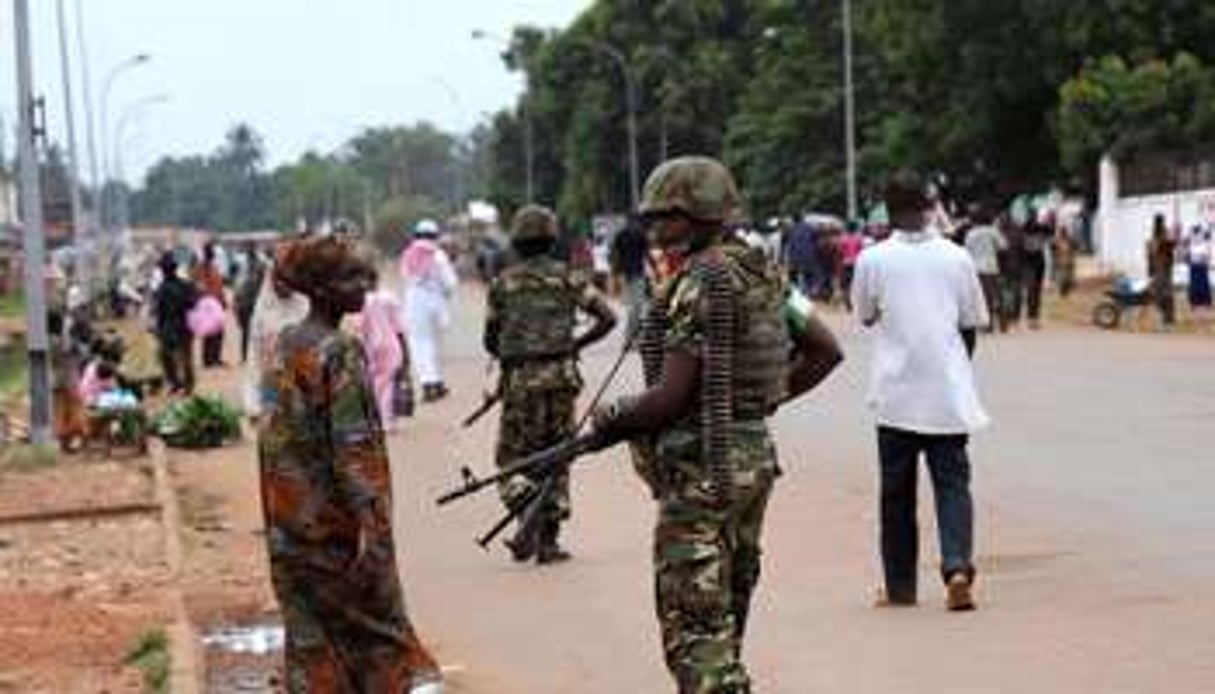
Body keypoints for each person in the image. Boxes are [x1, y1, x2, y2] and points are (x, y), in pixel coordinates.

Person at [590, 156, 843, 692]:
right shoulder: (767, 276)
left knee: (696, 628)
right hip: (749, 458)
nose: (654, 229)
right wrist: (756, 402)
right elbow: (824, 350)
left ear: (701, 214)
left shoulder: (700, 281)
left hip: (702, 466)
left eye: (667, 217)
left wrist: (610, 416)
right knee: (726, 607)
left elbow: (669, 398)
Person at [258, 235, 443, 694]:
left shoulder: (283, 343)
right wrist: (373, 532)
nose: (362, 284)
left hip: (289, 525)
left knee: (311, 647)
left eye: (364, 274)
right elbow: (354, 450)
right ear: (320, 288)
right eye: (349, 277)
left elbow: (273, 441)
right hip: (336, 530)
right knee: (384, 645)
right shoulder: (339, 350)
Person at [851, 170, 990, 612]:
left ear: (887, 211)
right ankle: (957, 569)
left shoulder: (873, 259)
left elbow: (866, 315)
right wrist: (953, 368)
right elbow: (970, 325)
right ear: (930, 207)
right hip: (946, 395)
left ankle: (900, 588)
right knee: (952, 485)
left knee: (896, 495)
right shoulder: (956, 257)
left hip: (895, 395)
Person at [484, 205, 616, 564]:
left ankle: (525, 514)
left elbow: (490, 339)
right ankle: (549, 540)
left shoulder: (503, 283)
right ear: (551, 239)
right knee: (557, 455)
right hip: (561, 379)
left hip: (520, 382)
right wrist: (575, 344)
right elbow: (608, 317)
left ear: (516, 242)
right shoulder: (569, 278)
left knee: (514, 458)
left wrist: (515, 350)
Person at [242, 250, 310, 422]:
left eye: (287, 280)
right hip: (271, 387)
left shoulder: (304, 306)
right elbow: (254, 357)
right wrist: (253, 402)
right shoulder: (262, 312)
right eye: (278, 279)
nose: (283, 285)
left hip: (303, 386)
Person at [400, 219, 457, 403]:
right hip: (436, 303)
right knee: (435, 344)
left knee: (419, 345)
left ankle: (428, 384)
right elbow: (450, 284)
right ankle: (437, 382)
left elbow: (406, 277)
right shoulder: (439, 255)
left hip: (415, 304)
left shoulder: (407, 254)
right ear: (435, 235)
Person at [355, 278, 410, 433]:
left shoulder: (361, 301)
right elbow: (399, 327)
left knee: (373, 383)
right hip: (391, 346)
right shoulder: (389, 298)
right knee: (388, 383)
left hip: (370, 346)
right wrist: (406, 352)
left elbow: (359, 327)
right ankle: (387, 420)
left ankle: (373, 418)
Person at [151, 253, 199, 395]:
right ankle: (183, 385)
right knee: (182, 357)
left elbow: (158, 312)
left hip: (170, 327)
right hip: (182, 326)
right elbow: (194, 303)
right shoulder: (184, 285)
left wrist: (158, 329)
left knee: (169, 357)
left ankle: (179, 384)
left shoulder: (162, 288)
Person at [964, 209, 1008, 333]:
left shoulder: (971, 233)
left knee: (982, 298)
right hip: (992, 267)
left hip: (976, 268)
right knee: (997, 296)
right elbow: (1003, 246)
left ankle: (987, 325)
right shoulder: (993, 231)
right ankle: (1003, 324)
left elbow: (966, 250)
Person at [611, 215, 651, 340]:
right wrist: (655, 270)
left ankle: (632, 334)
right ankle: (632, 335)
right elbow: (647, 254)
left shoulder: (620, 234)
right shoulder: (640, 234)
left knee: (632, 306)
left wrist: (615, 274)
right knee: (637, 306)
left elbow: (615, 255)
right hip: (637, 273)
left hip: (624, 274)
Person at [193, 242, 228, 367]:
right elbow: (198, 286)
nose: (212, 254)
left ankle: (215, 358)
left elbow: (219, 285)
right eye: (210, 252)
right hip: (207, 304)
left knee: (218, 331)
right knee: (209, 332)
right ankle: (208, 359)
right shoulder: (200, 268)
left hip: (216, 303)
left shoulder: (213, 267)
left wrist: (223, 300)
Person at [234, 243, 267, 364]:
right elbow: (237, 286)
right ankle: (245, 357)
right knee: (246, 331)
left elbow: (264, 285)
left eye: (251, 250)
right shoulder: (243, 266)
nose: (249, 253)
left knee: (255, 331)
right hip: (245, 302)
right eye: (248, 251)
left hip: (255, 302)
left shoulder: (261, 266)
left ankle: (252, 356)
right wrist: (236, 302)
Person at [1146, 214, 1177, 328]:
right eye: (1158, 221)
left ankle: (1169, 320)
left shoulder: (1165, 234)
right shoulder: (1154, 236)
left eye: (1160, 221)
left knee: (1166, 293)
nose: (1159, 224)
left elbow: (1171, 244)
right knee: (1157, 293)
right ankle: (1166, 318)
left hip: (1164, 266)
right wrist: (1150, 269)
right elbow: (1150, 252)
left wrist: (1173, 235)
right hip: (1159, 266)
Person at [1185, 227, 1212, 310]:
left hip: (1200, 265)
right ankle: (1196, 303)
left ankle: (1203, 303)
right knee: (1196, 285)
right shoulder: (1193, 241)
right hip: (1195, 265)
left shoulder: (1202, 242)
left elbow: (1207, 254)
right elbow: (1188, 254)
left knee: (1202, 285)